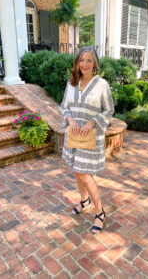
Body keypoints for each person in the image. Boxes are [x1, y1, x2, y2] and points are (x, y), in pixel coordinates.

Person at [61, 46, 114, 234]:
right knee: (77, 171)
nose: (84, 64)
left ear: (94, 64)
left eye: (88, 60)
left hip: (91, 137)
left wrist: (92, 122)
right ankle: (84, 202)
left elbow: (109, 110)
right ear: (77, 62)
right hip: (74, 135)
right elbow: (64, 106)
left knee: (84, 174)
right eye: (81, 60)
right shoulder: (71, 83)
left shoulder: (102, 84)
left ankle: (99, 212)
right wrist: (70, 119)